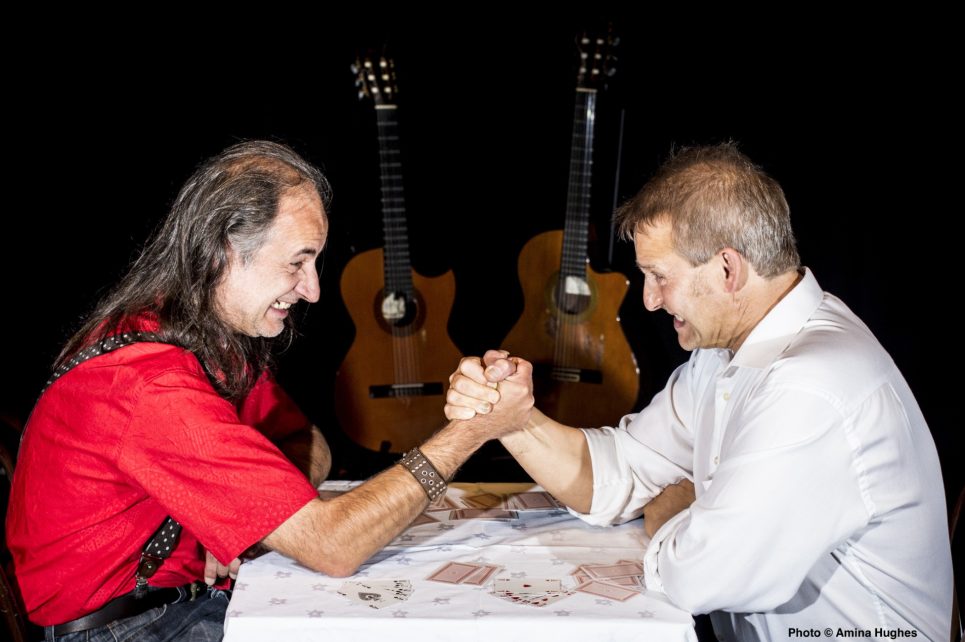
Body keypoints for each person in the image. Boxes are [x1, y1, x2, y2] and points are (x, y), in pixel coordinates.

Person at [6, 140, 530, 641]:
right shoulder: (149, 384)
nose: (313, 289)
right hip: (128, 627)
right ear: (225, 250)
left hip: (179, 601)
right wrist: (468, 432)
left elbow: (310, 439)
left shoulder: (196, 335)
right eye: (298, 261)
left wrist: (249, 515)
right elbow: (335, 545)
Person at [445, 143, 953, 641]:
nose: (647, 300)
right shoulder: (723, 354)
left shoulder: (811, 384)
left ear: (728, 269)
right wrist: (512, 417)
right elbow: (621, 471)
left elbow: (699, 578)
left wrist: (671, 510)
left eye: (659, 276)